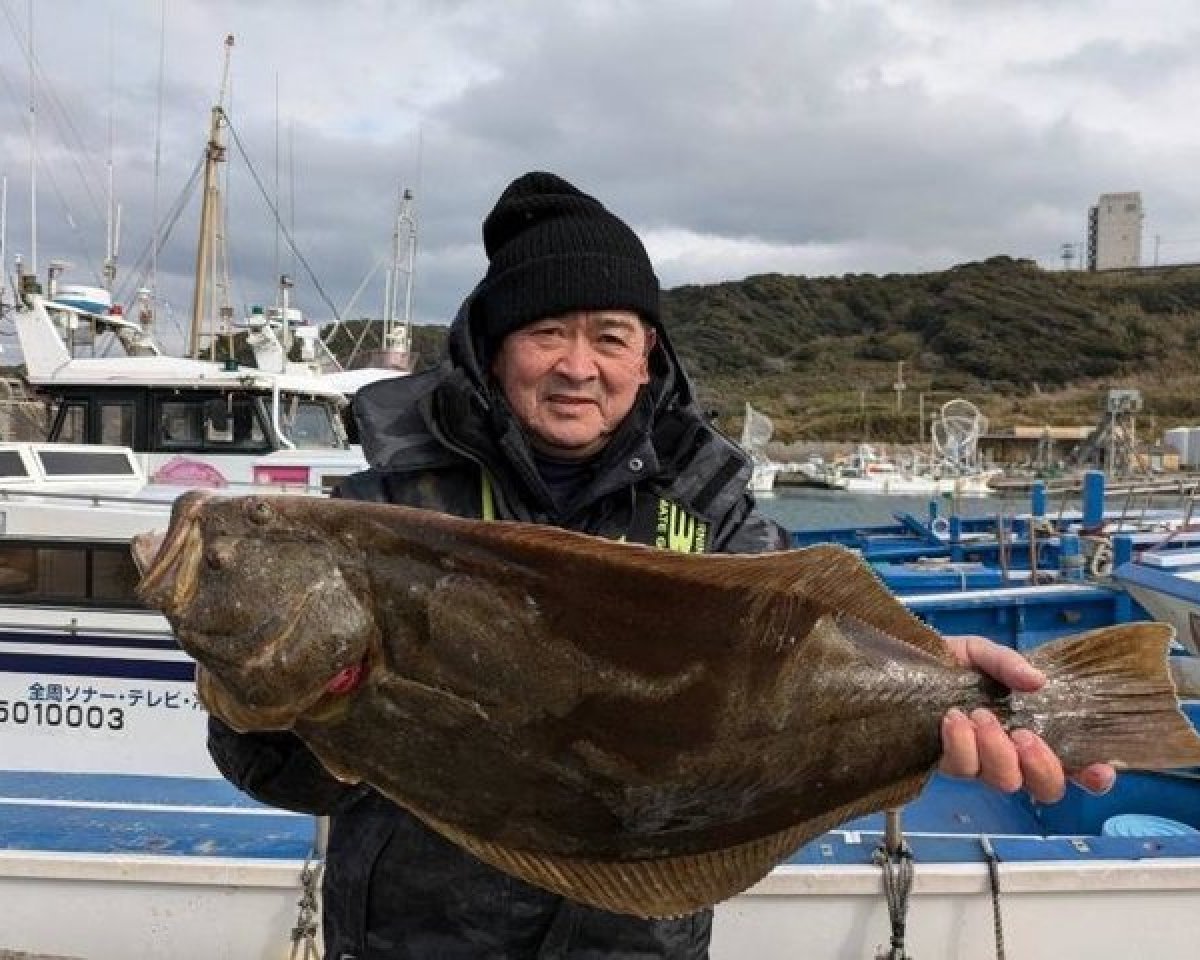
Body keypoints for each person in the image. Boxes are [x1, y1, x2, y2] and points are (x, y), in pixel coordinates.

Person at [207, 172, 1114, 960]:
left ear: (649, 357)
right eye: (545, 333)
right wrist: (282, 707)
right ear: (492, 350)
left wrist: (938, 685)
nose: (577, 366)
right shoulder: (379, 516)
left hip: (636, 942)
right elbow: (282, 775)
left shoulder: (709, 512)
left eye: (610, 335)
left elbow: (805, 658)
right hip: (421, 934)